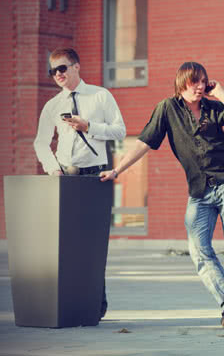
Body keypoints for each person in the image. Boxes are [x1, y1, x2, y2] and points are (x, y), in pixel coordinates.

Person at [100, 62, 224, 329]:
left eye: (203, 81)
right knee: (198, 250)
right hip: (199, 191)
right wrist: (117, 170)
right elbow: (144, 142)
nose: (199, 86)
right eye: (194, 81)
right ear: (181, 83)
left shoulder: (215, 108)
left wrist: (222, 94)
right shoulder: (167, 109)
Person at [33, 47, 126, 319]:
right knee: (66, 244)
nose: (58, 75)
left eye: (62, 68)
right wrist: (53, 169)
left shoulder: (100, 95)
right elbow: (40, 142)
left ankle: (96, 306)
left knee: (94, 245)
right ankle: (70, 303)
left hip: (95, 176)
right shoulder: (53, 105)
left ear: (76, 66)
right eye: (53, 71)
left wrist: (90, 127)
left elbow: (120, 130)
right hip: (66, 177)